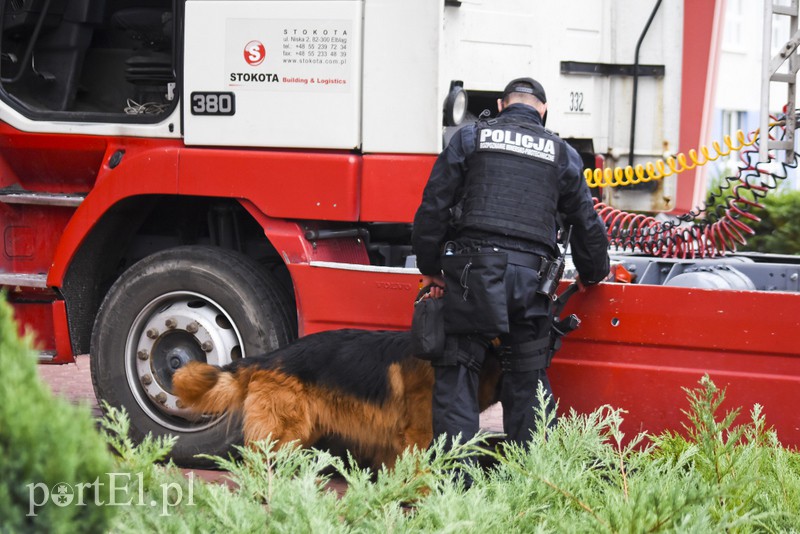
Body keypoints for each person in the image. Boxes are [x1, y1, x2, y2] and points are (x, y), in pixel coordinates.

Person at [411, 77, 609, 450]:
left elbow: (434, 205)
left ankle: (457, 485)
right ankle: (531, 480)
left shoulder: (470, 138)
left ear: (502, 106)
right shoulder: (561, 153)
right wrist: (593, 271)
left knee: (458, 374)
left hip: (473, 276)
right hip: (532, 282)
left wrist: (430, 265)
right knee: (528, 377)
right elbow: (585, 219)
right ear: (543, 111)